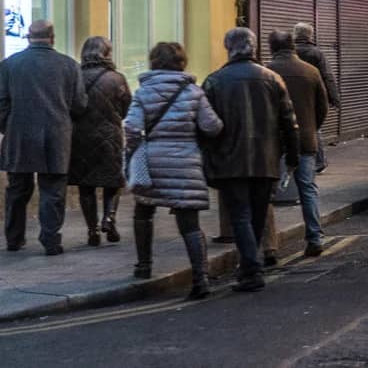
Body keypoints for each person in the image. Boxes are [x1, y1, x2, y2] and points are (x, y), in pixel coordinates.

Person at [203, 28, 300, 292]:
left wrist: (208, 157)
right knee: (256, 215)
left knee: (241, 216)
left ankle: (251, 268)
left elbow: (204, 125)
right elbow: (289, 122)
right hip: (266, 159)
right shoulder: (273, 79)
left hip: (230, 160)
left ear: (228, 47)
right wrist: (292, 156)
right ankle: (249, 267)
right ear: (253, 47)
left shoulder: (214, 81)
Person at [124, 42, 223, 298]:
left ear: (154, 62)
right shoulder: (194, 92)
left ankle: (144, 266)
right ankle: (200, 278)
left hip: (153, 160)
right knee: (189, 222)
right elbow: (212, 127)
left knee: (143, 210)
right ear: (181, 62)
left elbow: (132, 128)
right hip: (185, 161)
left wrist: (135, 153)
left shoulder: (143, 92)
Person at [0, 19, 86, 255]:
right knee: (53, 192)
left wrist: (8, 127)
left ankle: (14, 239)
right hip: (56, 136)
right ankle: (51, 241)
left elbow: (2, 103)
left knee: (17, 191)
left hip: (19, 136)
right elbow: (79, 105)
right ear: (53, 37)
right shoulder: (69, 66)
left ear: (28, 36)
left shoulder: (9, 65)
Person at [266, 30, 329, 256]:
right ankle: (314, 237)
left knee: (267, 193)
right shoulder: (311, 71)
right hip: (305, 139)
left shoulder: (267, 72)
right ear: (293, 46)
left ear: (272, 47)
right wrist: (312, 126)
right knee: (308, 189)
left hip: (274, 143)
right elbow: (322, 108)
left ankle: (269, 247)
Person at [68, 36, 131, 247]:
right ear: (106, 53)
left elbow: (70, 106)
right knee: (112, 181)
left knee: (86, 185)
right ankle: (109, 218)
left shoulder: (75, 77)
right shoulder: (117, 79)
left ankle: (92, 230)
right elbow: (126, 109)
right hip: (110, 135)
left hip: (80, 136)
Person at [292, 22, 339, 174]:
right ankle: (319, 162)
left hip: (291, 95)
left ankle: (295, 159)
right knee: (314, 127)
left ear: (295, 34)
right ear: (310, 35)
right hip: (312, 96)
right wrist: (333, 97)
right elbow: (327, 75)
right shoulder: (316, 53)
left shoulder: (289, 51)